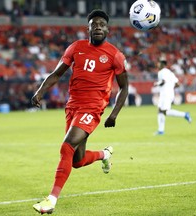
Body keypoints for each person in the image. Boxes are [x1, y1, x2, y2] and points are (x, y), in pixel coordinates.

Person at [31, 9, 128, 214]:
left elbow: (124, 87)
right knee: (77, 160)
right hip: (73, 106)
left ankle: (51, 201)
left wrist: (113, 114)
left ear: (108, 29)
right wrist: (40, 92)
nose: (98, 27)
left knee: (67, 147)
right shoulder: (76, 48)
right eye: (95, 24)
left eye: (102, 24)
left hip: (93, 108)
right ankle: (104, 154)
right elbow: (57, 73)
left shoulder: (115, 55)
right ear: (88, 28)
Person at [154, 57, 192, 135]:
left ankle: (185, 114)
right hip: (168, 93)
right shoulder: (170, 73)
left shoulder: (161, 72)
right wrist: (170, 87)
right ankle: (161, 130)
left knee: (165, 111)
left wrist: (157, 84)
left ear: (163, 64)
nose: (157, 64)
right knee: (160, 110)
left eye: (159, 63)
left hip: (165, 94)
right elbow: (177, 84)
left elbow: (163, 81)